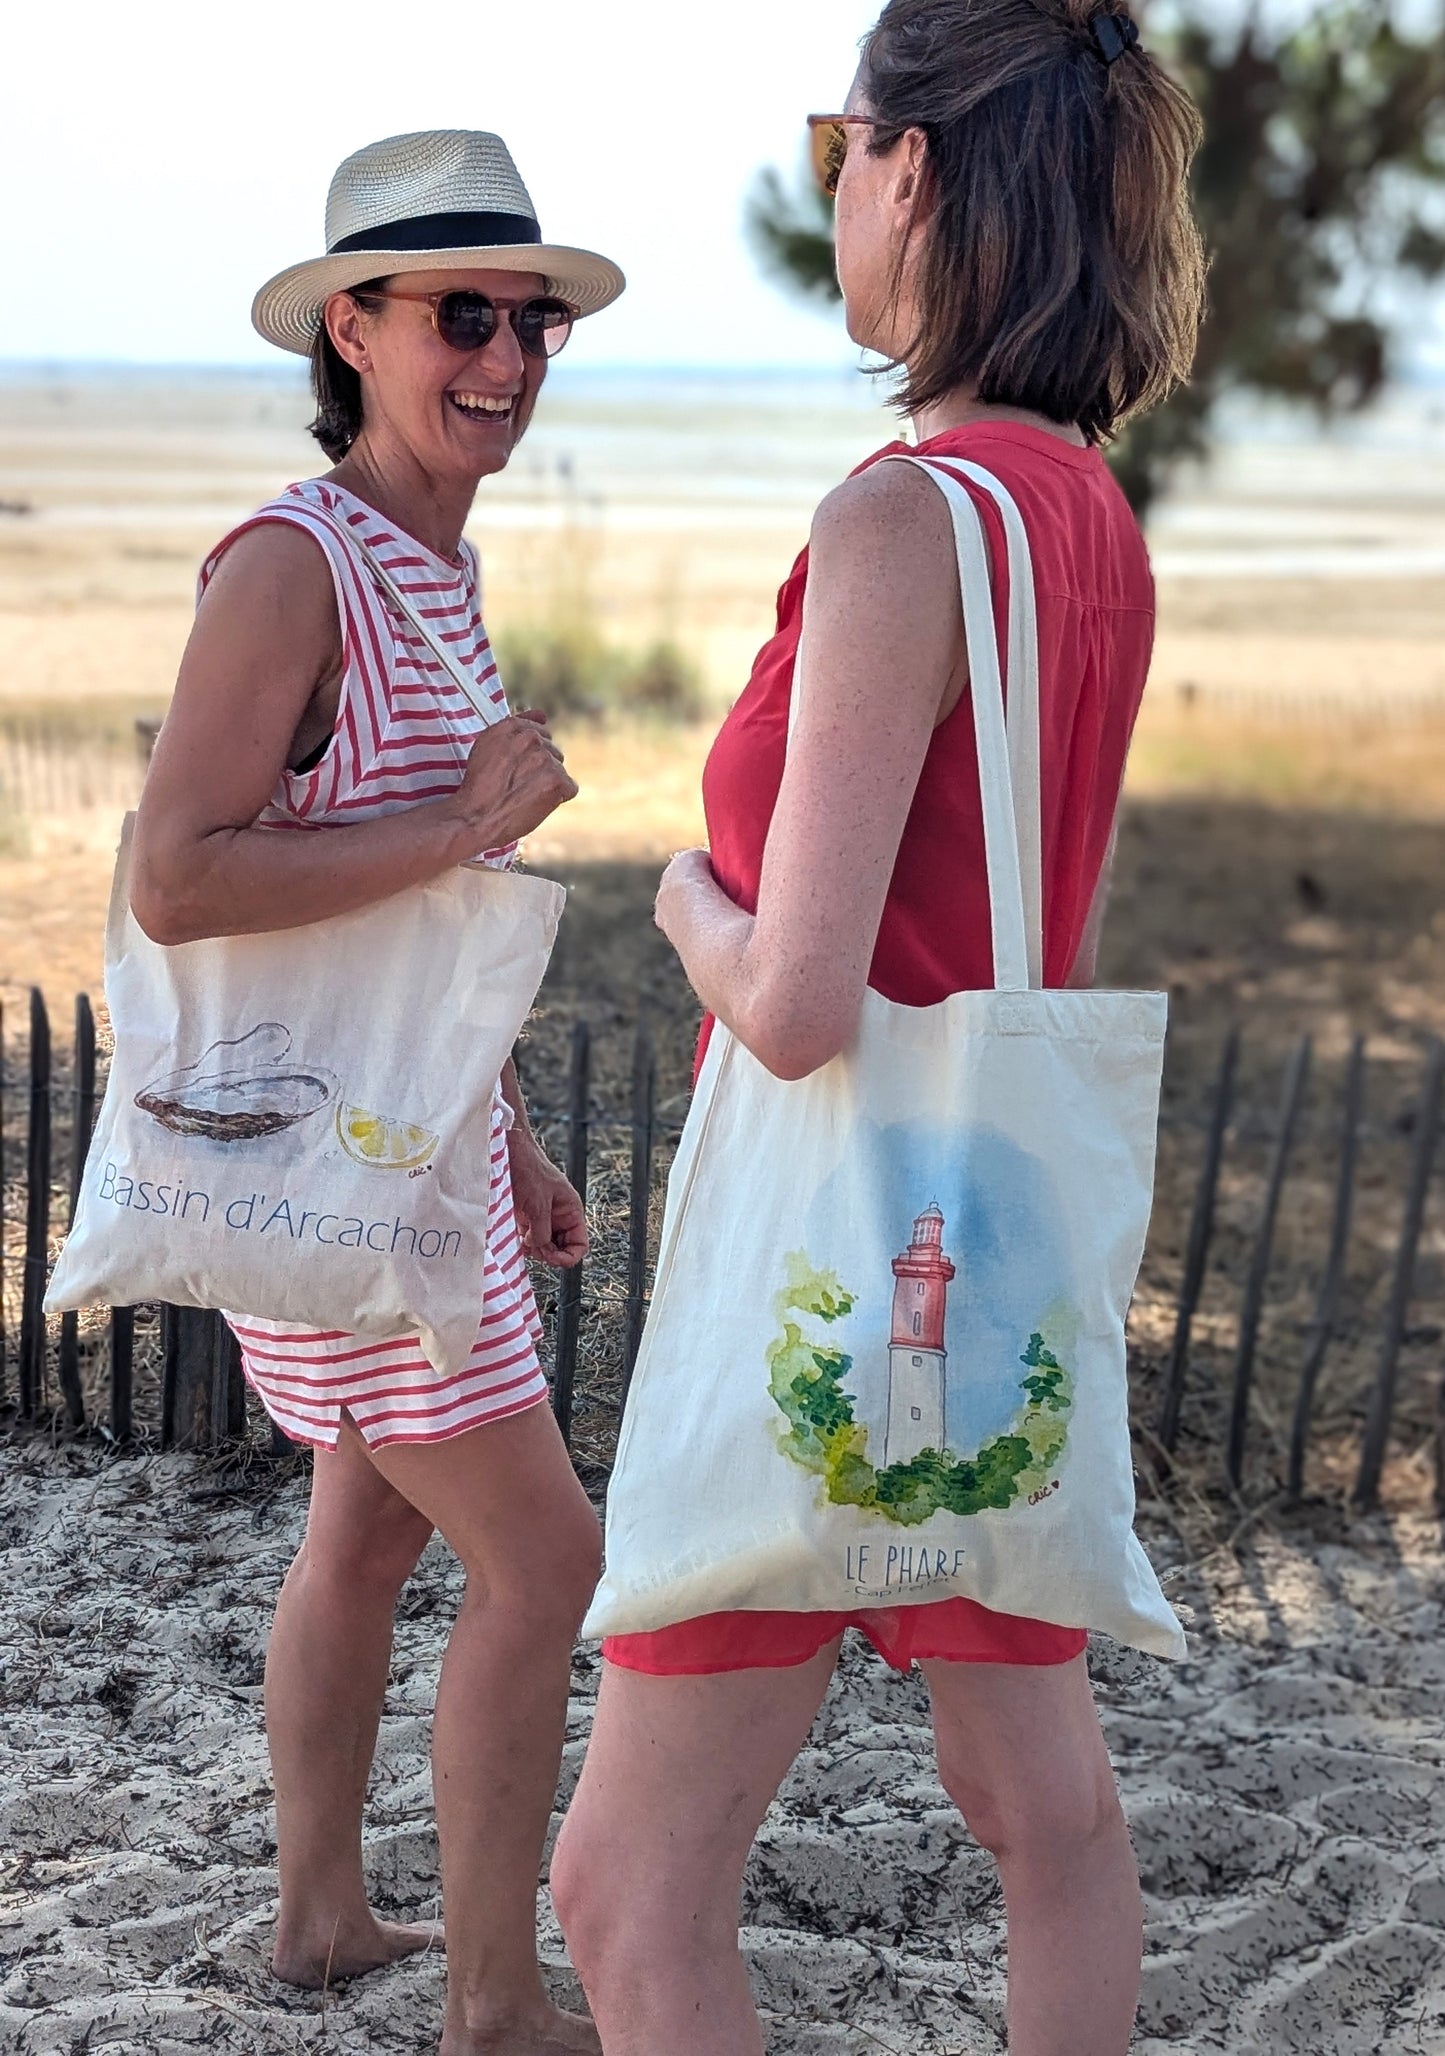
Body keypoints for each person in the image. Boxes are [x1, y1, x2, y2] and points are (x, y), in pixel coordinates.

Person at [551, 7, 1205, 2053]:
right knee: (1042, 1812)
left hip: (824, 1278)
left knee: (627, 1892)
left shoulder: (896, 523)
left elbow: (806, 992)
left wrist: (682, 892)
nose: (836, 180)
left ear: (913, 170)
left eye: (844, 140)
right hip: (991, 1236)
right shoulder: (1083, 515)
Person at [130, 130, 624, 2056]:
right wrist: (457, 825)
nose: (505, 356)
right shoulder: (291, 565)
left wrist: (503, 1139)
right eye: (460, 316)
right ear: (351, 324)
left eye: (535, 321)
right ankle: (497, 2008)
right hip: (331, 1173)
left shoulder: (432, 556)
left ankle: (324, 1917)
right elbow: (179, 875)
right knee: (548, 1560)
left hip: (410, 1162)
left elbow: (403, 925)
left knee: (365, 1530)